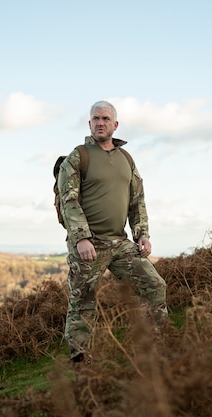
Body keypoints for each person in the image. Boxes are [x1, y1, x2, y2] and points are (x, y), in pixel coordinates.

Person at [57, 100, 168, 363]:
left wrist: (142, 234)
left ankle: (157, 348)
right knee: (83, 302)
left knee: (155, 286)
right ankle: (80, 362)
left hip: (120, 244)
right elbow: (68, 201)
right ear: (89, 123)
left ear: (115, 125)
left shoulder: (126, 159)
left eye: (106, 119)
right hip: (88, 245)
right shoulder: (78, 157)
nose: (100, 123)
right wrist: (81, 238)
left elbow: (137, 200)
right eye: (96, 119)